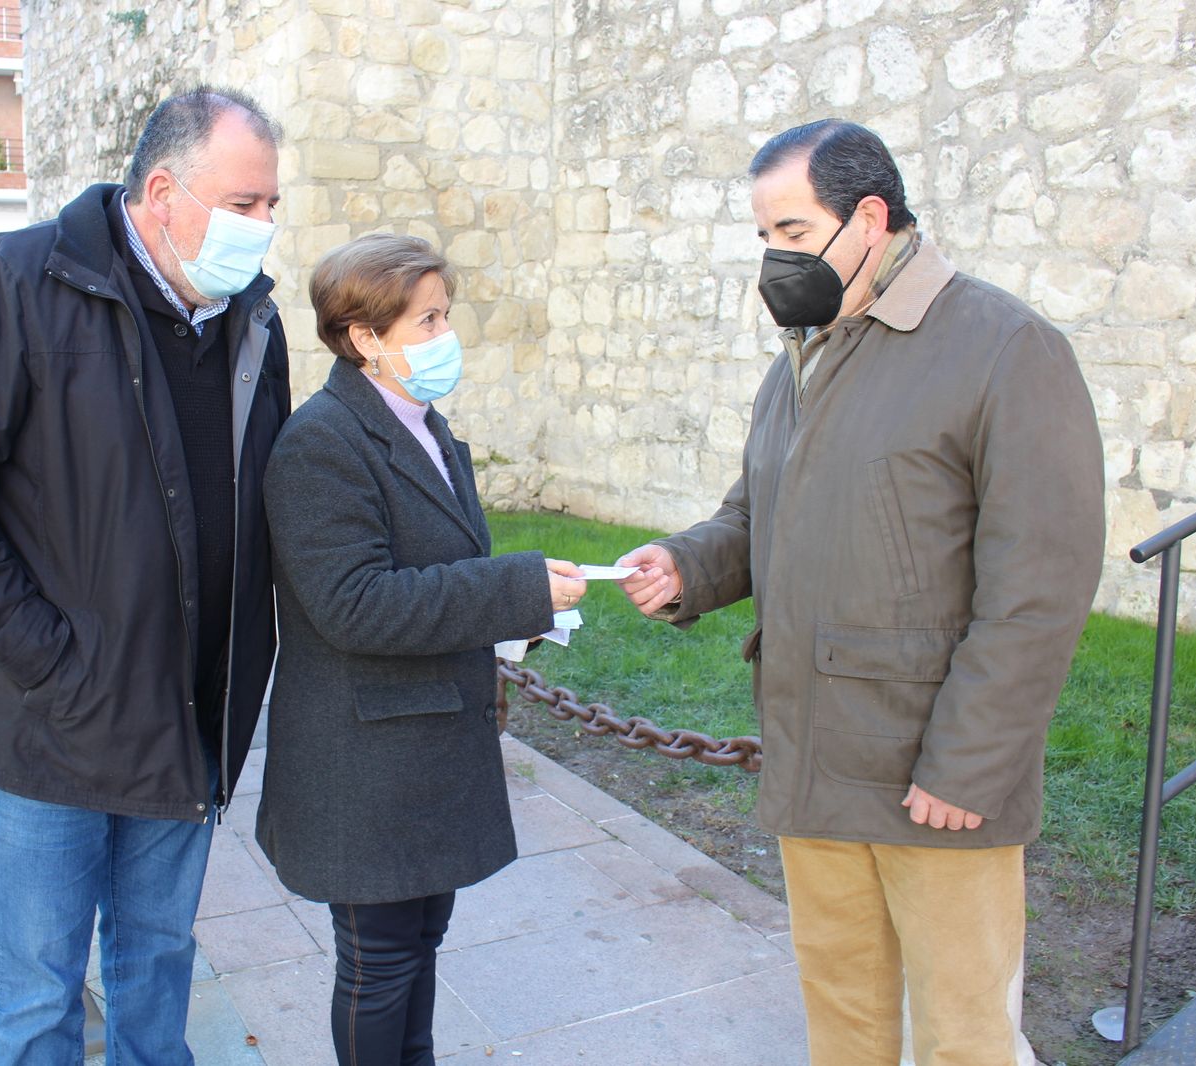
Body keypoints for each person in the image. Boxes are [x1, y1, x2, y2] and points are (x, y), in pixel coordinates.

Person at [617, 119, 1105, 1065]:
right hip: (815, 760)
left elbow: (1039, 589)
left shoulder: (1007, 346)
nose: (774, 256)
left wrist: (969, 767)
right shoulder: (801, 355)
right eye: (764, 235)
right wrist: (686, 565)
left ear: (870, 218)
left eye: (793, 231)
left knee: (964, 1038)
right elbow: (755, 516)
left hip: (935, 781)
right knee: (844, 1023)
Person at [0, 86, 289, 1064]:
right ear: (163, 191)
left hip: (186, 722)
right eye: (245, 203)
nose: (263, 226)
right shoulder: (4, 285)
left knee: (158, 969)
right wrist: (50, 662)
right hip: (45, 731)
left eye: (272, 204)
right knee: (39, 995)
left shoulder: (250, 325)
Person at [255, 232, 587, 1066]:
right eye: (427, 320)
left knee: (417, 943)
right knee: (380, 961)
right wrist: (513, 589)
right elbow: (354, 605)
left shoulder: (420, 425)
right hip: (364, 761)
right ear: (363, 337)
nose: (447, 336)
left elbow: (433, 574)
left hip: (421, 748)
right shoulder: (322, 442)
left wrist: (520, 613)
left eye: (445, 315)